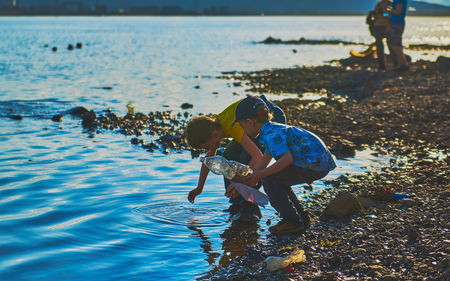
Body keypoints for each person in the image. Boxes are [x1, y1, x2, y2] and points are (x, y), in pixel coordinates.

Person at [227, 96, 336, 235]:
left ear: (250, 122)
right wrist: (240, 181)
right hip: (318, 162)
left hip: (314, 164)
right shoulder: (271, 130)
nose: (242, 130)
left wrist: (259, 176)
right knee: (278, 179)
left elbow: (286, 160)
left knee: (270, 179)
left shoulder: (271, 134)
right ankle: (301, 218)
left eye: (241, 126)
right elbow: (263, 161)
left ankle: (292, 221)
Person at [185, 95, 286, 220]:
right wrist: (199, 188)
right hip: (249, 119)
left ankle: (249, 207)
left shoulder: (233, 127)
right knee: (227, 159)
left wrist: (241, 183)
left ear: (214, 134)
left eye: (206, 147)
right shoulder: (214, 126)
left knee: (246, 157)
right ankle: (237, 202)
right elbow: (209, 159)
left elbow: (258, 157)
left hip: (266, 117)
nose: (207, 150)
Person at [388, 0, 409, 71]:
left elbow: (398, 11)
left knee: (394, 43)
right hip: (395, 23)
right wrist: (385, 13)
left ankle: (404, 63)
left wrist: (387, 11)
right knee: (395, 43)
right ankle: (401, 63)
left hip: (397, 24)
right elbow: (387, 14)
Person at [372, 0, 393, 71]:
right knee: (379, 47)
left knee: (391, 45)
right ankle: (382, 65)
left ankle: (396, 63)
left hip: (386, 27)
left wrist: (385, 13)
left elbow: (389, 15)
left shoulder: (390, 4)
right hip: (377, 27)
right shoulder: (379, 4)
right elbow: (375, 15)